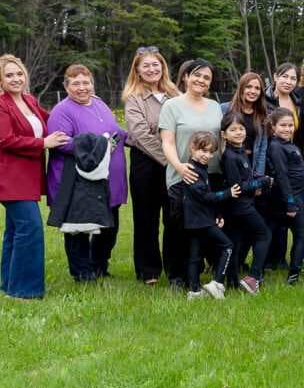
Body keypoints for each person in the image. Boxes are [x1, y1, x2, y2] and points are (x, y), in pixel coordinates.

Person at [0, 54, 69, 299]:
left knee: (15, 232)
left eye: (19, 74)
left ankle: (9, 285)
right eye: (9, 75)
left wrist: (77, 106)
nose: (15, 79)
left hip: (27, 177)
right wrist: (44, 142)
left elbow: (52, 118)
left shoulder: (29, 100)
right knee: (30, 230)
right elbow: (4, 139)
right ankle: (25, 291)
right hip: (8, 177)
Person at [46, 64, 128, 282]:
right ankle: (82, 273)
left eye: (86, 82)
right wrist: (100, 145)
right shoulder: (61, 111)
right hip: (78, 182)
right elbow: (61, 142)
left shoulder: (99, 103)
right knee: (79, 229)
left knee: (109, 226)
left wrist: (133, 138)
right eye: (76, 83)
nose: (82, 88)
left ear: (92, 83)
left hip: (109, 180)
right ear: (66, 86)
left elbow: (115, 131)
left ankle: (99, 265)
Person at [159, 59, 224, 288]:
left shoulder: (215, 106)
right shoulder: (171, 106)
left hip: (211, 175)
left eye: (206, 77)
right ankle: (176, 276)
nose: (201, 80)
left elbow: (221, 141)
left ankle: (201, 271)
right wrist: (179, 166)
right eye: (197, 75)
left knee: (207, 225)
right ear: (186, 76)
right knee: (178, 227)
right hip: (182, 175)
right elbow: (167, 142)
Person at [123, 46, 181, 285]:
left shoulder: (175, 95)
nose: (151, 69)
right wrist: (169, 159)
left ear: (162, 67)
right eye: (145, 65)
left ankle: (175, 267)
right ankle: (148, 270)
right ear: (137, 70)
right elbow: (140, 134)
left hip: (174, 163)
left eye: (155, 64)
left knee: (174, 217)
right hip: (146, 163)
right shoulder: (133, 98)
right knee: (146, 218)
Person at [219, 111, 272, 294]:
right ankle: (254, 277)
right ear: (224, 134)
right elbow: (238, 186)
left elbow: (247, 175)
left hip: (241, 206)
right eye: (233, 130)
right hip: (240, 206)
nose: (239, 132)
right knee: (264, 234)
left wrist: (259, 177)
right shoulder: (230, 157)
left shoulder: (241, 152)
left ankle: (232, 281)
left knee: (235, 241)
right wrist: (262, 182)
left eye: (241, 129)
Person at [182, 131, 238, 300]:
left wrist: (217, 213)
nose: (207, 155)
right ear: (192, 148)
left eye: (210, 152)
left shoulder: (201, 168)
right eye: (202, 151)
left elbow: (205, 198)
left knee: (195, 255)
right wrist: (228, 193)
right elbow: (205, 196)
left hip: (198, 219)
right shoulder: (192, 171)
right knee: (227, 245)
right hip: (200, 221)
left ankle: (194, 291)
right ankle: (217, 283)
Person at [266, 107, 304, 285]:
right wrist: (290, 202)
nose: (287, 129)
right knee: (301, 234)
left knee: (296, 233)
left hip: (296, 193)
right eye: (283, 125)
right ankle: (293, 275)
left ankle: (290, 271)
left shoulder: (289, 145)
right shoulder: (276, 146)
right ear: (273, 127)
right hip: (289, 197)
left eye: (290, 125)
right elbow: (282, 175)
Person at [221, 72, 270, 177]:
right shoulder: (225, 109)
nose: (253, 91)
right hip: (229, 164)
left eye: (257, 88)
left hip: (251, 164)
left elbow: (262, 148)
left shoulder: (262, 114)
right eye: (249, 87)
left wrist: (259, 176)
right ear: (241, 88)